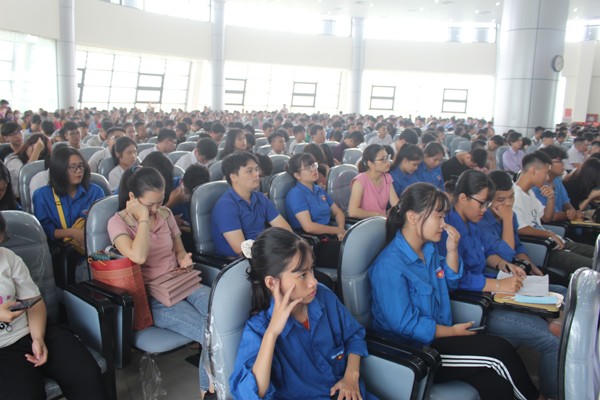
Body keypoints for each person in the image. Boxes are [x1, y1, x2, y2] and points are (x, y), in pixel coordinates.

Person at [369, 183, 539, 400]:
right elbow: (404, 325)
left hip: (440, 337)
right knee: (499, 351)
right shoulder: (389, 266)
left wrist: (452, 251)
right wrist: (451, 332)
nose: (443, 224)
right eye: (438, 217)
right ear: (412, 217)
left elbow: (450, 283)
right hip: (417, 352)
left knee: (496, 383)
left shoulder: (428, 250)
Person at [439, 170, 560, 398]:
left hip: (489, 293)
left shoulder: (472, 223)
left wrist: (503, 264)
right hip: (474, 305)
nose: (484, 210)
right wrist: (497, 286)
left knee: (553, 310)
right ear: (463, 197)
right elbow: (453, 278)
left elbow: (490, 252)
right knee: (550, 339)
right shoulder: (448, 230)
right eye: (482, 203)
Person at [230, 228, 375, 399]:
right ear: (272, 283)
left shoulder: (323, 296)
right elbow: (251, 393)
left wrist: (351, 376)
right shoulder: (259, 329)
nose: (313, 281)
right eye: (302, 275)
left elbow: (354, 335)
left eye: (311, 269)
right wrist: (272, 333)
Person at [107, 167, 214, 398]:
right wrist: (143, 219)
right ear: (133, 198)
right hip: (152, 297)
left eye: (160, 202)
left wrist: (183, 258)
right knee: (208, 332)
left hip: (180, 282)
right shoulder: (117, 223)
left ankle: (220, 385)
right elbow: (138, 256)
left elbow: (179, 250)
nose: (157, 209)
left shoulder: (165, 214)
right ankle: (210, 392)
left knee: (221, 316)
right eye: (150, 205)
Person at [0, 213, 106, 400]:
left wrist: (37, 338)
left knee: (85, 374)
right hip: (4, 348)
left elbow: (34, 301)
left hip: (31, 330)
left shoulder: (8, 258)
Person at [513, 152, 593, 282]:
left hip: (553, 242)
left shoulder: (529, 193)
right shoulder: (514, 196)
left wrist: (551, 198)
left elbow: (546, 218)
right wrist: (548, 234)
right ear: (533, 170)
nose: (546, 178)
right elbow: (521, 229)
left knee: (595, 252)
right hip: (541, 247)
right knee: (592, 265)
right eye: (545, 173)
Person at [211, 152, 292, 257]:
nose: (256, 174)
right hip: (240, 261)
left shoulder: (260, 198)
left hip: (265, 253)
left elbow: (286, 230)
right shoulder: (226, 206)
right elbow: (242, 250)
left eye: (256, 169)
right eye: (249, 171)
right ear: (233, 177)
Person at [285, 153, 345, 269]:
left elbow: (338, 212)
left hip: (330, 235)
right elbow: (309, 227)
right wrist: (337, 230)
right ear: (297, 175)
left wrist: (340, 231)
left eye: (314, 165)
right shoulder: (296, 194)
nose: (314, 170)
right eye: (308, 168)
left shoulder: (319, 190)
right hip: (313, 243)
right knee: (352, 252)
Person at [348, 144, 399, 218]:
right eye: (382, 160)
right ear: (370, 163)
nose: (388, 162)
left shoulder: (387, 177)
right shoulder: (360, 181)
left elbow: (395, 204)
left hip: (382, 220)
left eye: (387, 158)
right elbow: (352, 212)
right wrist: (378, 215)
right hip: (366, 222)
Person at [532, 146, 580, 222]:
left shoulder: (557, 180)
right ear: (547, 164)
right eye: (559, 161)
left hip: (562, 221)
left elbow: (566, 202)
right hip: (549, 225)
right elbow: (551, 217)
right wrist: (567, 215)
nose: (563, 164)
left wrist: (571, 210)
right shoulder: (536, 186)